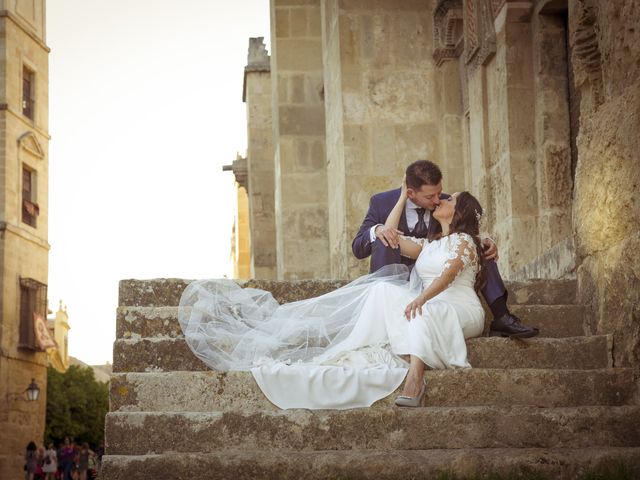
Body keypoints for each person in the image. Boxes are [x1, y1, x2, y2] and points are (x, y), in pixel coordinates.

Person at [180, 185, 489, 409]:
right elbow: (390, 239)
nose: (443, 199)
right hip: (431, 303)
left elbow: (450, 273)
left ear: (458, 211)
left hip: (459, 306)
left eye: (450, 199)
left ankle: (415, 380)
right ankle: (380, 342)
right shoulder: (428, 244)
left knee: (425, 311)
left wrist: (422, 298)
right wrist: (399, 200)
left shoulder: (465, 241)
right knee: (382, 289)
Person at [352, 159, 538, 338]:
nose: (437, 200)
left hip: (438, 276)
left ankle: (501, 315)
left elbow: (463, 229)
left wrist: (484, 238)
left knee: (480, 246)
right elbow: (358, 248)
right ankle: (384, 311)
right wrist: (379, 229)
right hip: (398, 278)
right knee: (383, 237)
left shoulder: (444, 202)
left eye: (439, 193)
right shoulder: (381, 202)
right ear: (410, 193)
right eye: (430, 197)